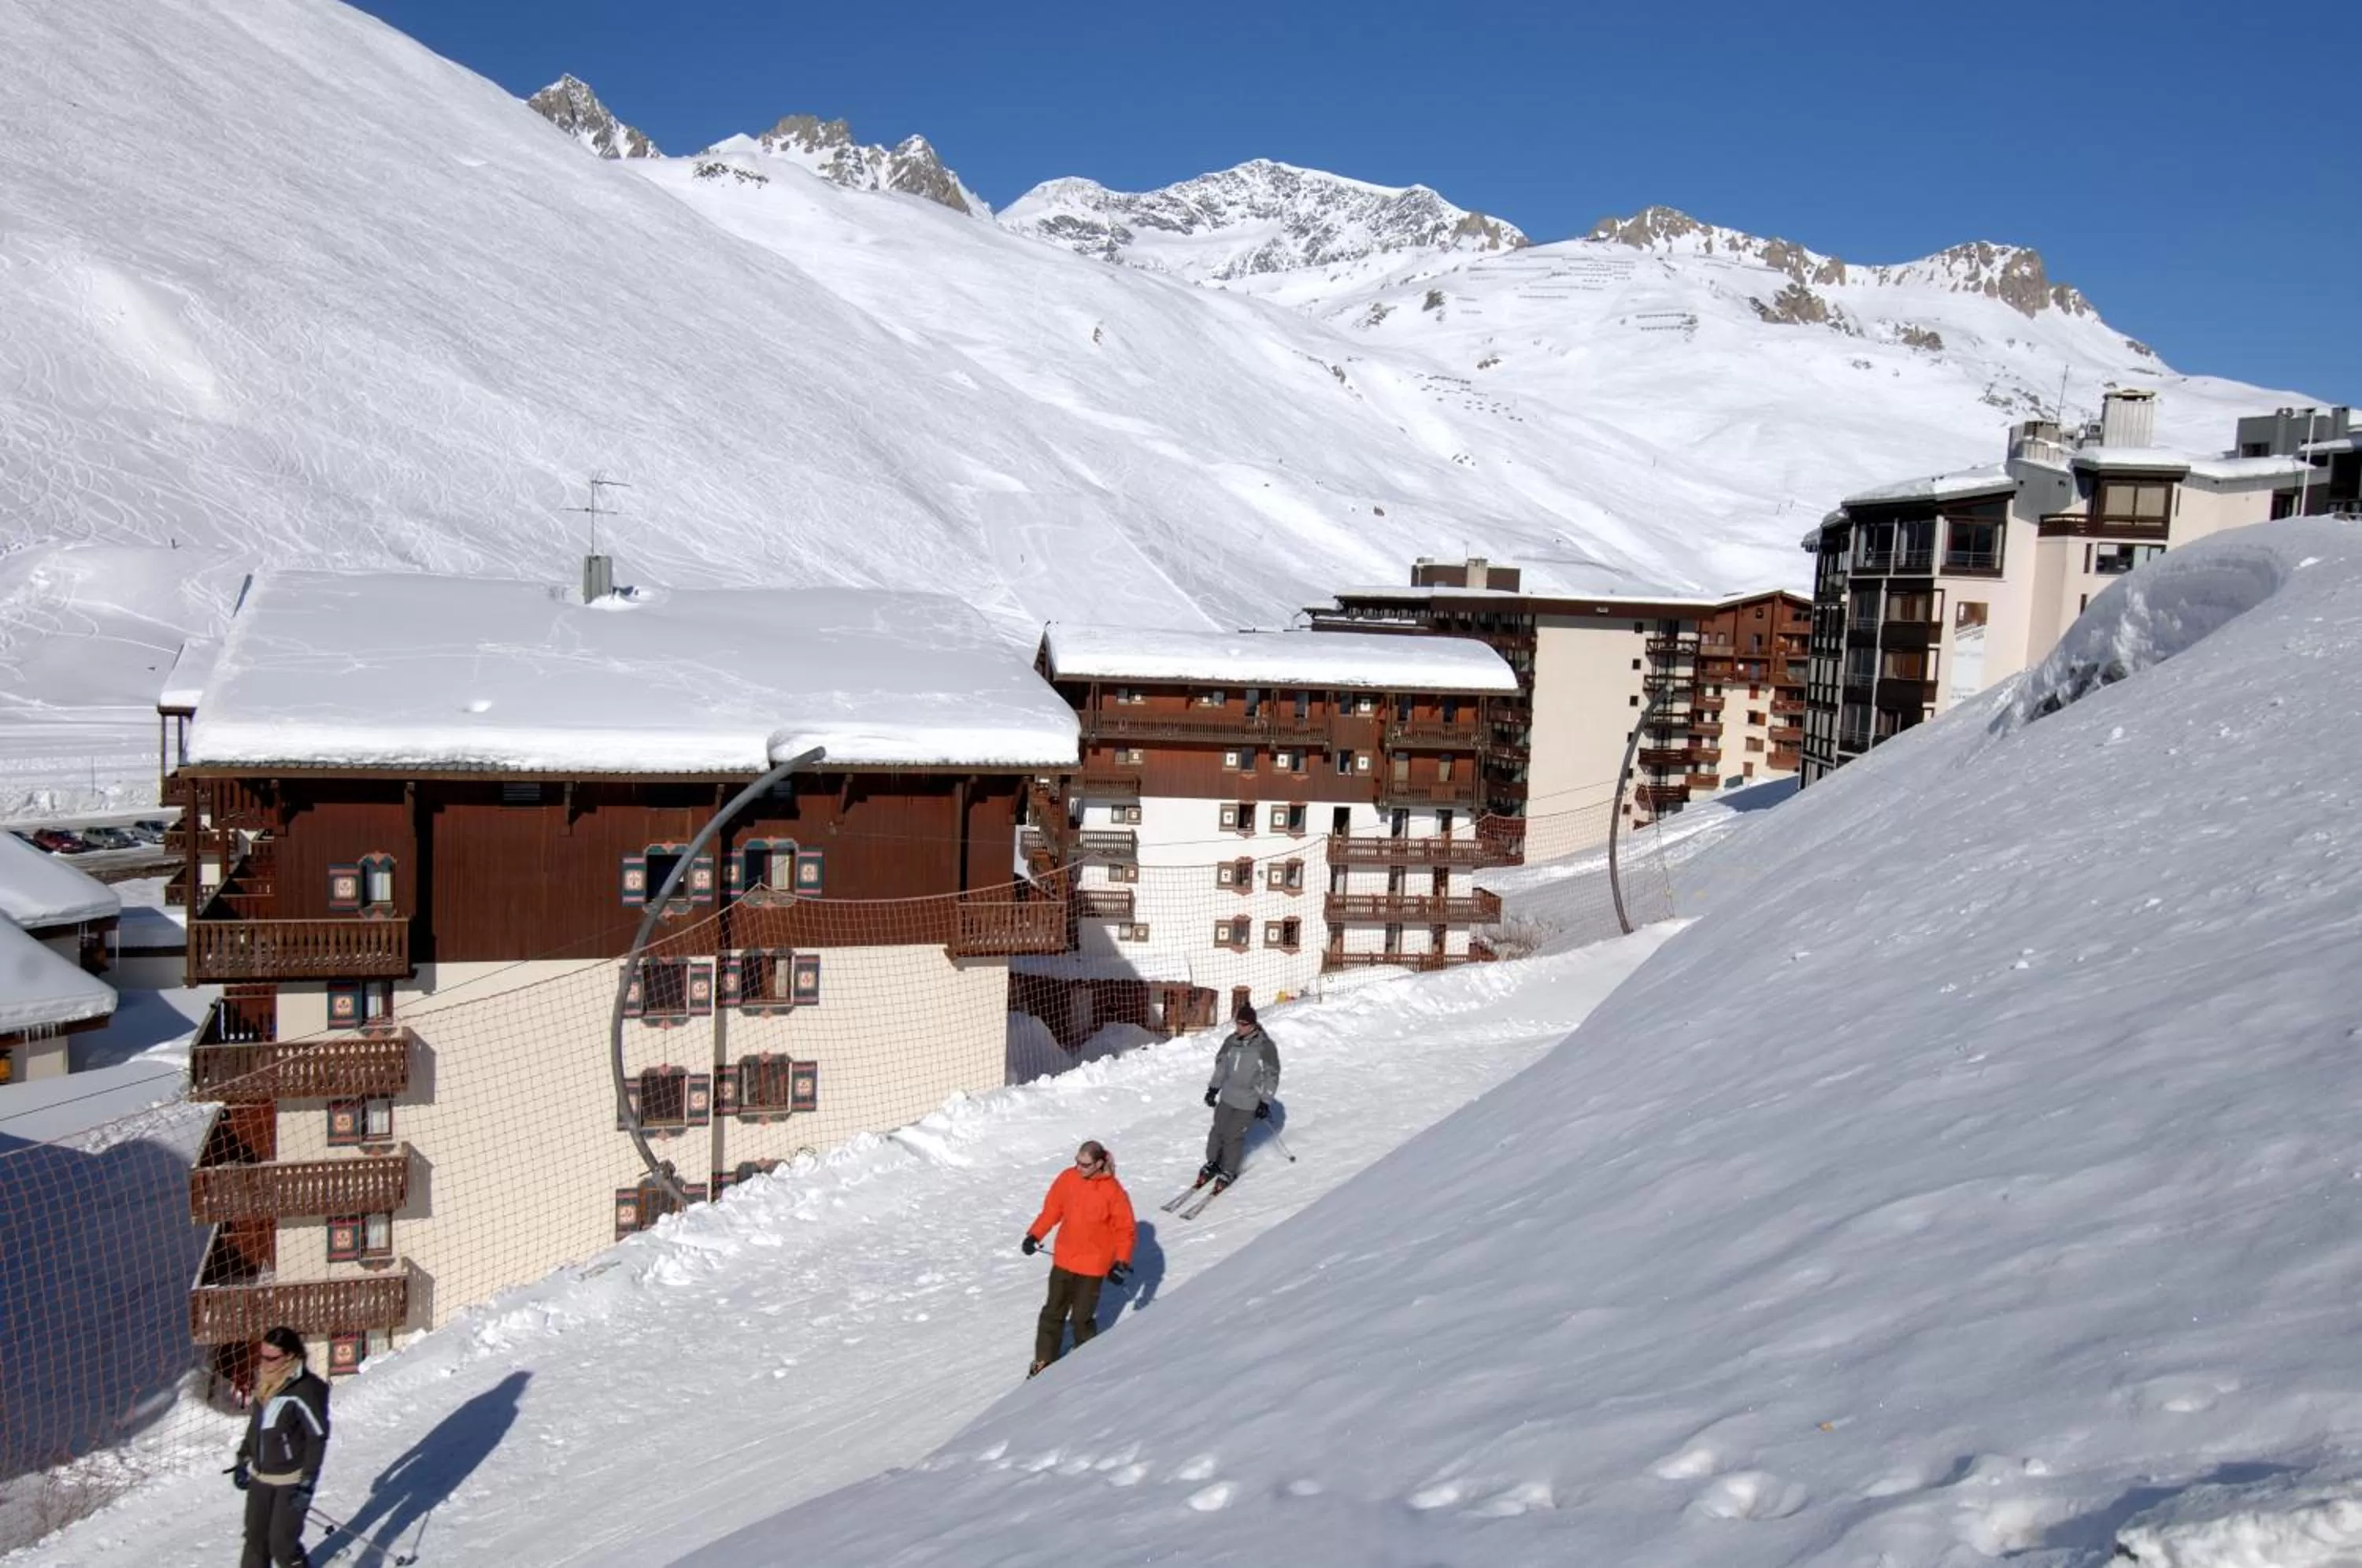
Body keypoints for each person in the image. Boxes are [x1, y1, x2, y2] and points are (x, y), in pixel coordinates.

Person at [1021, 1139, 1136, 1377]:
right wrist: (1034, 1235)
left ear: (1099, 1163)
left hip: (1093, 1265)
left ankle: (1086, 1359)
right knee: (1053, 1311)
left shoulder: (1113, 1191)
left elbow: (1125, 1229)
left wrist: (1121, 1262)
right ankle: (1043, 1360)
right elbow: (1052, 1210)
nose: (1079, 1168)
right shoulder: (1068, 1178)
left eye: (1085, 1165)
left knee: (1081, 1317)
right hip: (1064, 1258)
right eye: (1077, 1162)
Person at [230, 1325, 331, 1568]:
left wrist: (307, 1483)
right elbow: (256, 1427)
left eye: (271, 1358)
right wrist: (243, 1458)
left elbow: (317, 1437)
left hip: (291, 1480)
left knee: (282, 1545)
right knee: (255, 1540)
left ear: (289, 1356)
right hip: (261, 1478)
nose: (264, 1363)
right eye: (262, 1356)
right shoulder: (266, 1384)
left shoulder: (305, 1390)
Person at [1200, 1003, 1280, 1189]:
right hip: (1228, 1096)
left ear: (1253, 1025)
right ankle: (1213, 1162)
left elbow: (1272, 1075)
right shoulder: (1231, 1041)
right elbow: (1221, 1066)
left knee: (1232, 1135)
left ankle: (1229, 1170)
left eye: (1244, 1024)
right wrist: (1213, 1089)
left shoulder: (1265, 1046)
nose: (1240, 1027)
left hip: (1248, 1101)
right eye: (1238, 1023)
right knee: (1218, 1131)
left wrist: (1265, 1101)